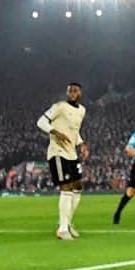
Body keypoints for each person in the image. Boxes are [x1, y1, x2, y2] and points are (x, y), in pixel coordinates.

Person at [37, 82, 90, 240]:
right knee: (66, 188)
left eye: (76, 91)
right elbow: (41, 122)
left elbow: (74, 131)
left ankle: (67, 223)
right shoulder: (59, 106)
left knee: (78, 188)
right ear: (67, 93)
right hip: (58, 152)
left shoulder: (82, 110)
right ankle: (62, 229)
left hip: (72, 154)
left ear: (80, 93)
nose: (73, 93)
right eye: (70, 91)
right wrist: (55, 131)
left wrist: (81, 144)